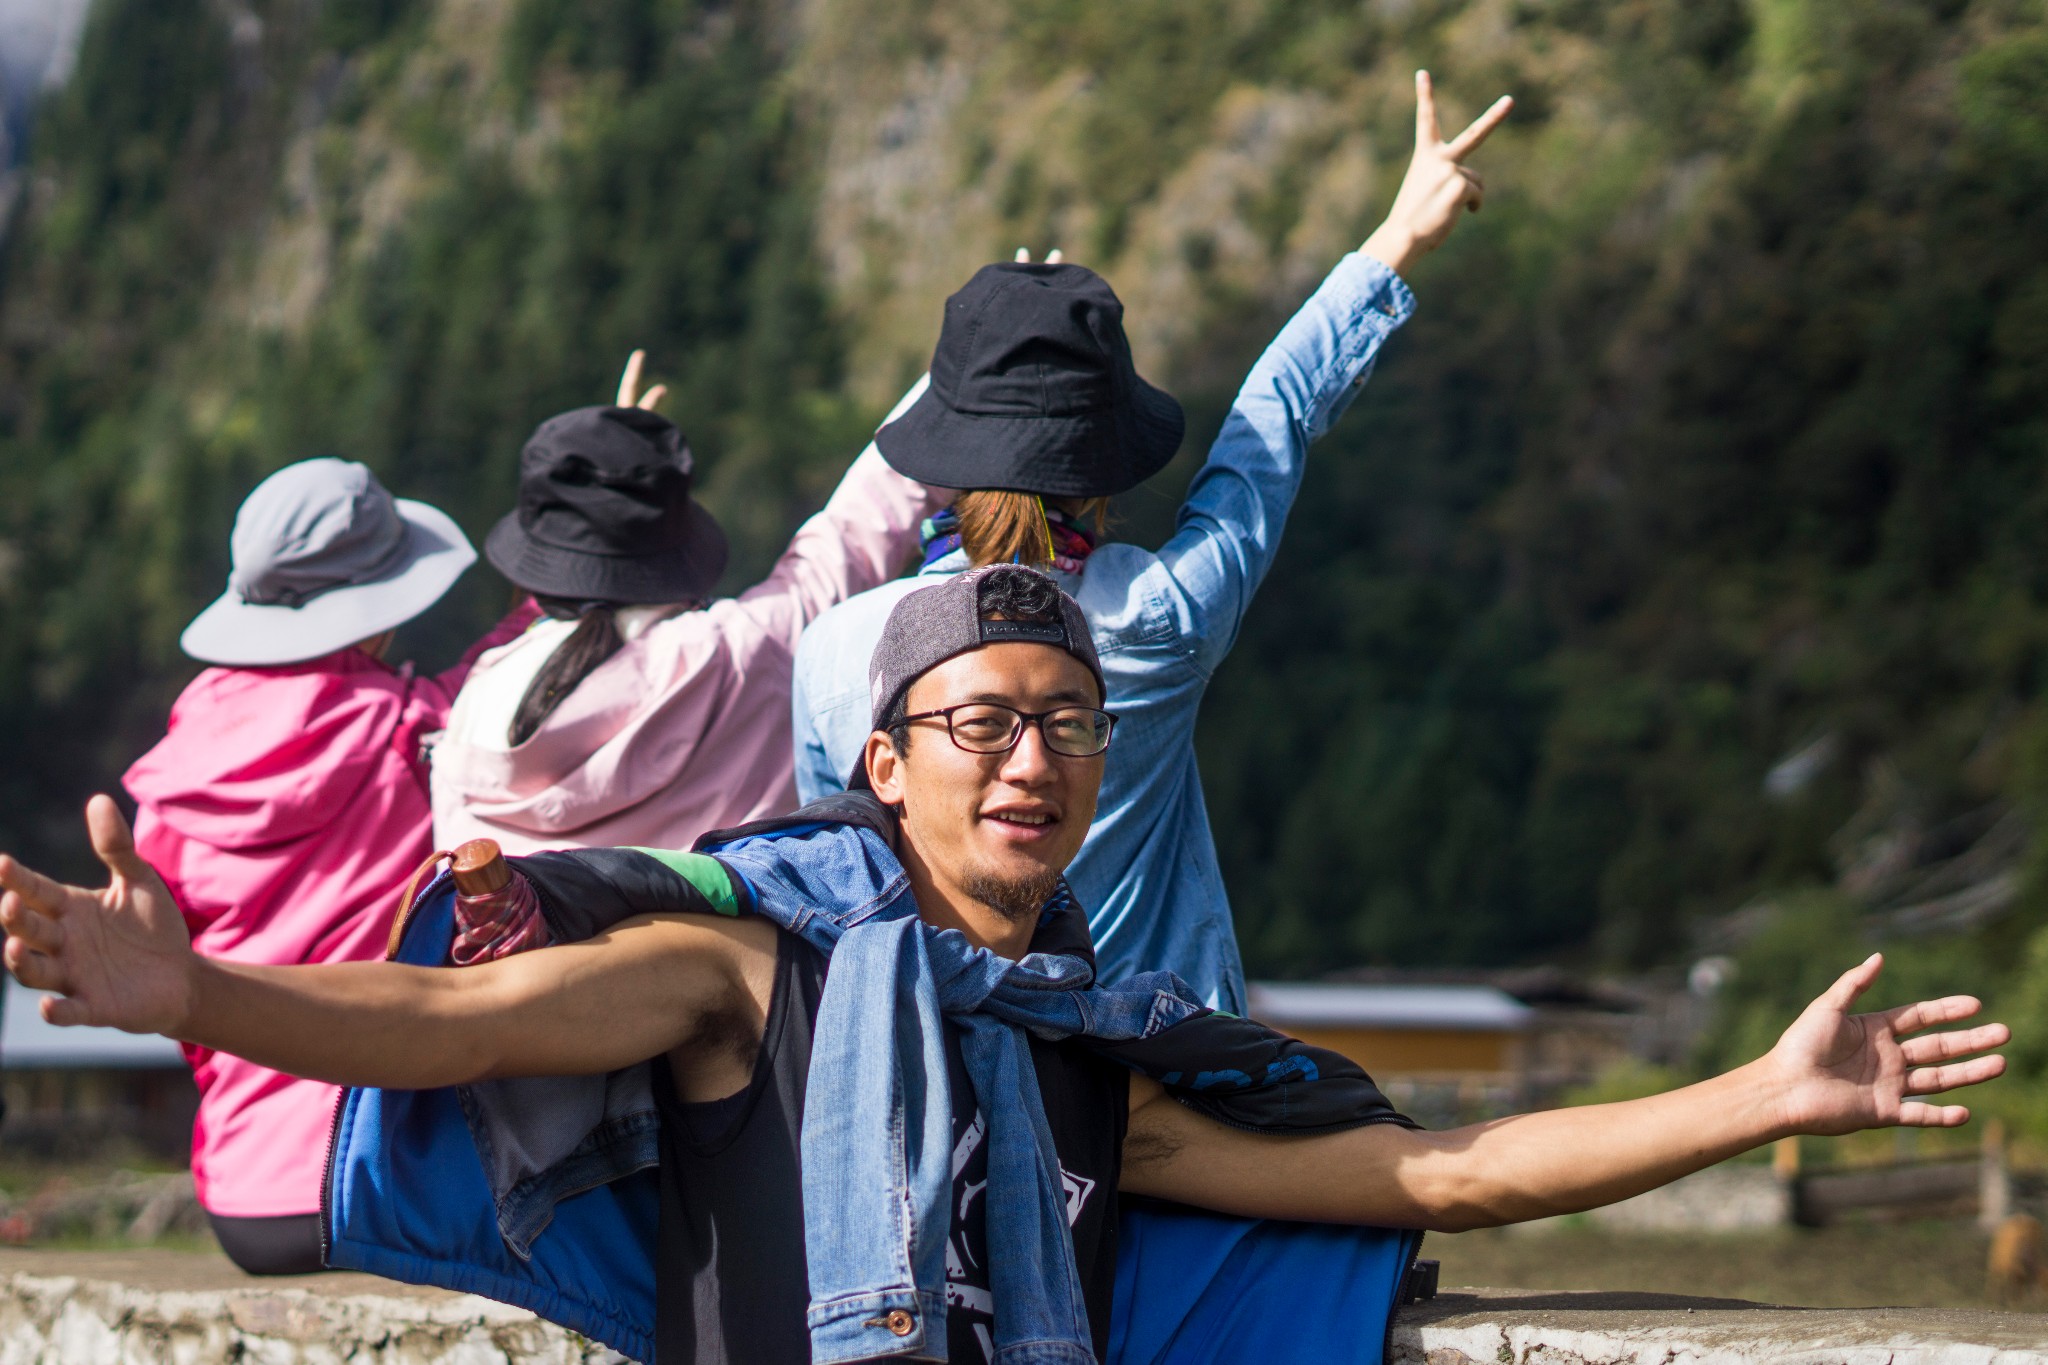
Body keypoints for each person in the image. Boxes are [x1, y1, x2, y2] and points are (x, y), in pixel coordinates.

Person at [3, 566, 2008, 1364]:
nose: (1034, 755)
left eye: (1068, 719)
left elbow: (1433, 1176)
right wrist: (198, 995)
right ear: (886, 763)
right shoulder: (740, 976)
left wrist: (1768, 1093)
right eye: (983, 721)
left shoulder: (1085, 1062)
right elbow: (451, 1016)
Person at [790, 72, 1511, 1012]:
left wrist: (989, 350)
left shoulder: (836, 650)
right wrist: (1398, 239)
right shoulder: (1161, 617)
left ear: (946, 451)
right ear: (1103, 476)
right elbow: (1273, 425)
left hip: (924, 1063)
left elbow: (834, 857)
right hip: (1148, 1086)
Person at [119, 456, 534, 1274]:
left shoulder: (167, 779)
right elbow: (512, 670)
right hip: (393, 1182)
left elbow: (182, 1007)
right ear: (378, 608)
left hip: (245, 1201)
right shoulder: (416, 736)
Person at [429, 352, 943, 854]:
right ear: (675, 548)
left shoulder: (480, 696)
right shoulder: (733, 650)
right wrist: (968, 368)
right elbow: (853, 532)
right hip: (729, 941)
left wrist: (606, 484)